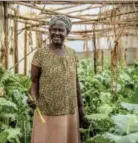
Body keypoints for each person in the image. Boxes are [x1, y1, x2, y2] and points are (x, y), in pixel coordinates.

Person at [27, 15, 89, 143]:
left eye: (61, 30)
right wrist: (32, 97)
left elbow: (75, 82)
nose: (56, 33)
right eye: (53, 29)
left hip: (69, 109)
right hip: (46, 110)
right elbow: (34, 81)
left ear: (67, 32)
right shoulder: (40, 53)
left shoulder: (72, 54)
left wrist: (81, 108)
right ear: (49, 31)